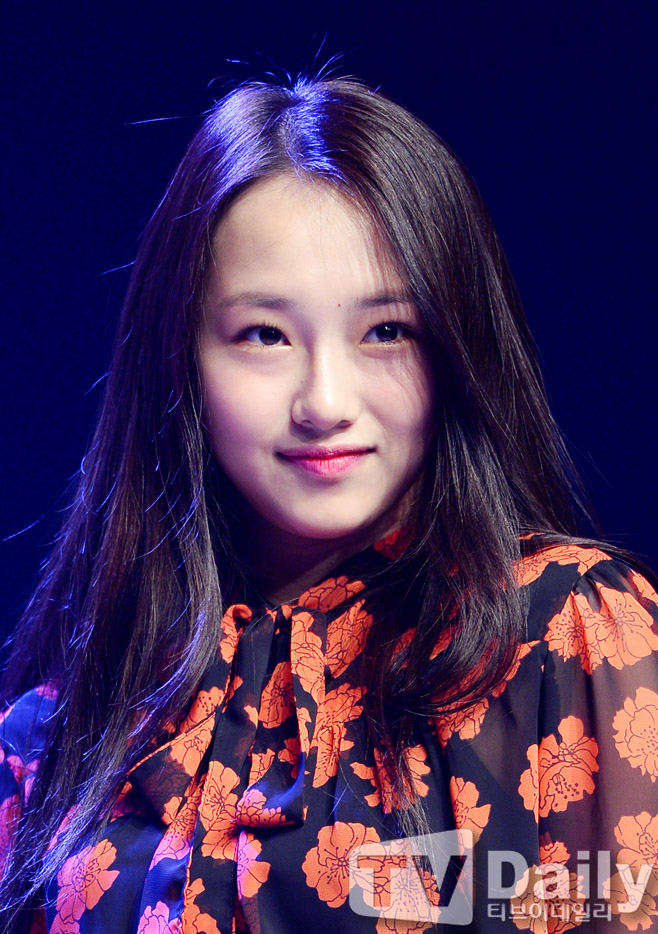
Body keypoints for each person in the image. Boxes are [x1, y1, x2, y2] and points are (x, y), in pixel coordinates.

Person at [1, 75, 657, 934]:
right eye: (264, 335)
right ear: (180, 359)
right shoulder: (59, 725)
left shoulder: (565, 634)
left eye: (386, 331)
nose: (325, 402)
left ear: (456, 346)